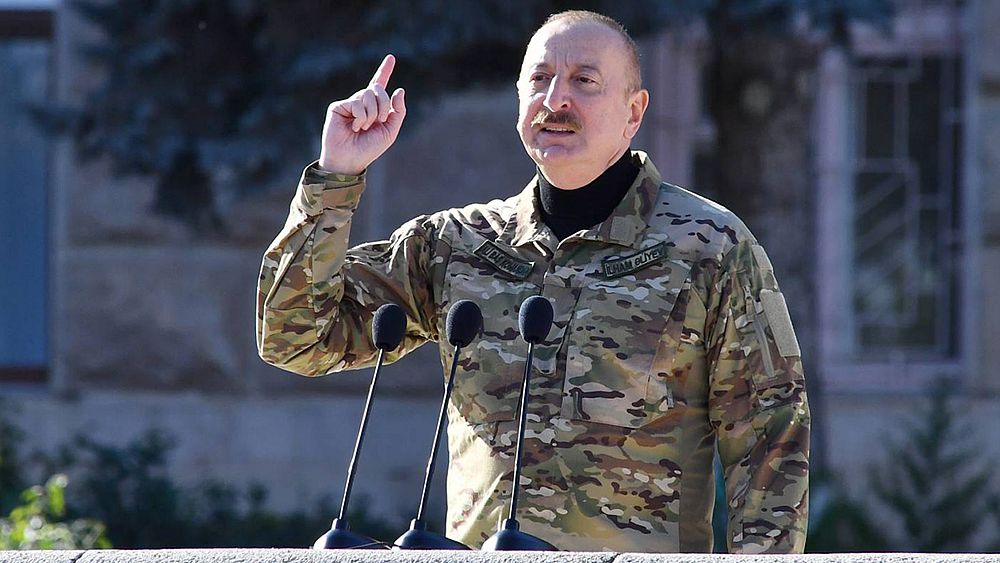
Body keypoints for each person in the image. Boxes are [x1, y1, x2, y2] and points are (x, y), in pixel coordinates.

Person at [257, 10, 809, 553]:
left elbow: (771, 436)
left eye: (584, 81)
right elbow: (295, 338)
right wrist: (337, 174)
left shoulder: (709, 247)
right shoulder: (455, 245)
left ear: (633, 111)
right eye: (540, 79)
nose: (556, 100)